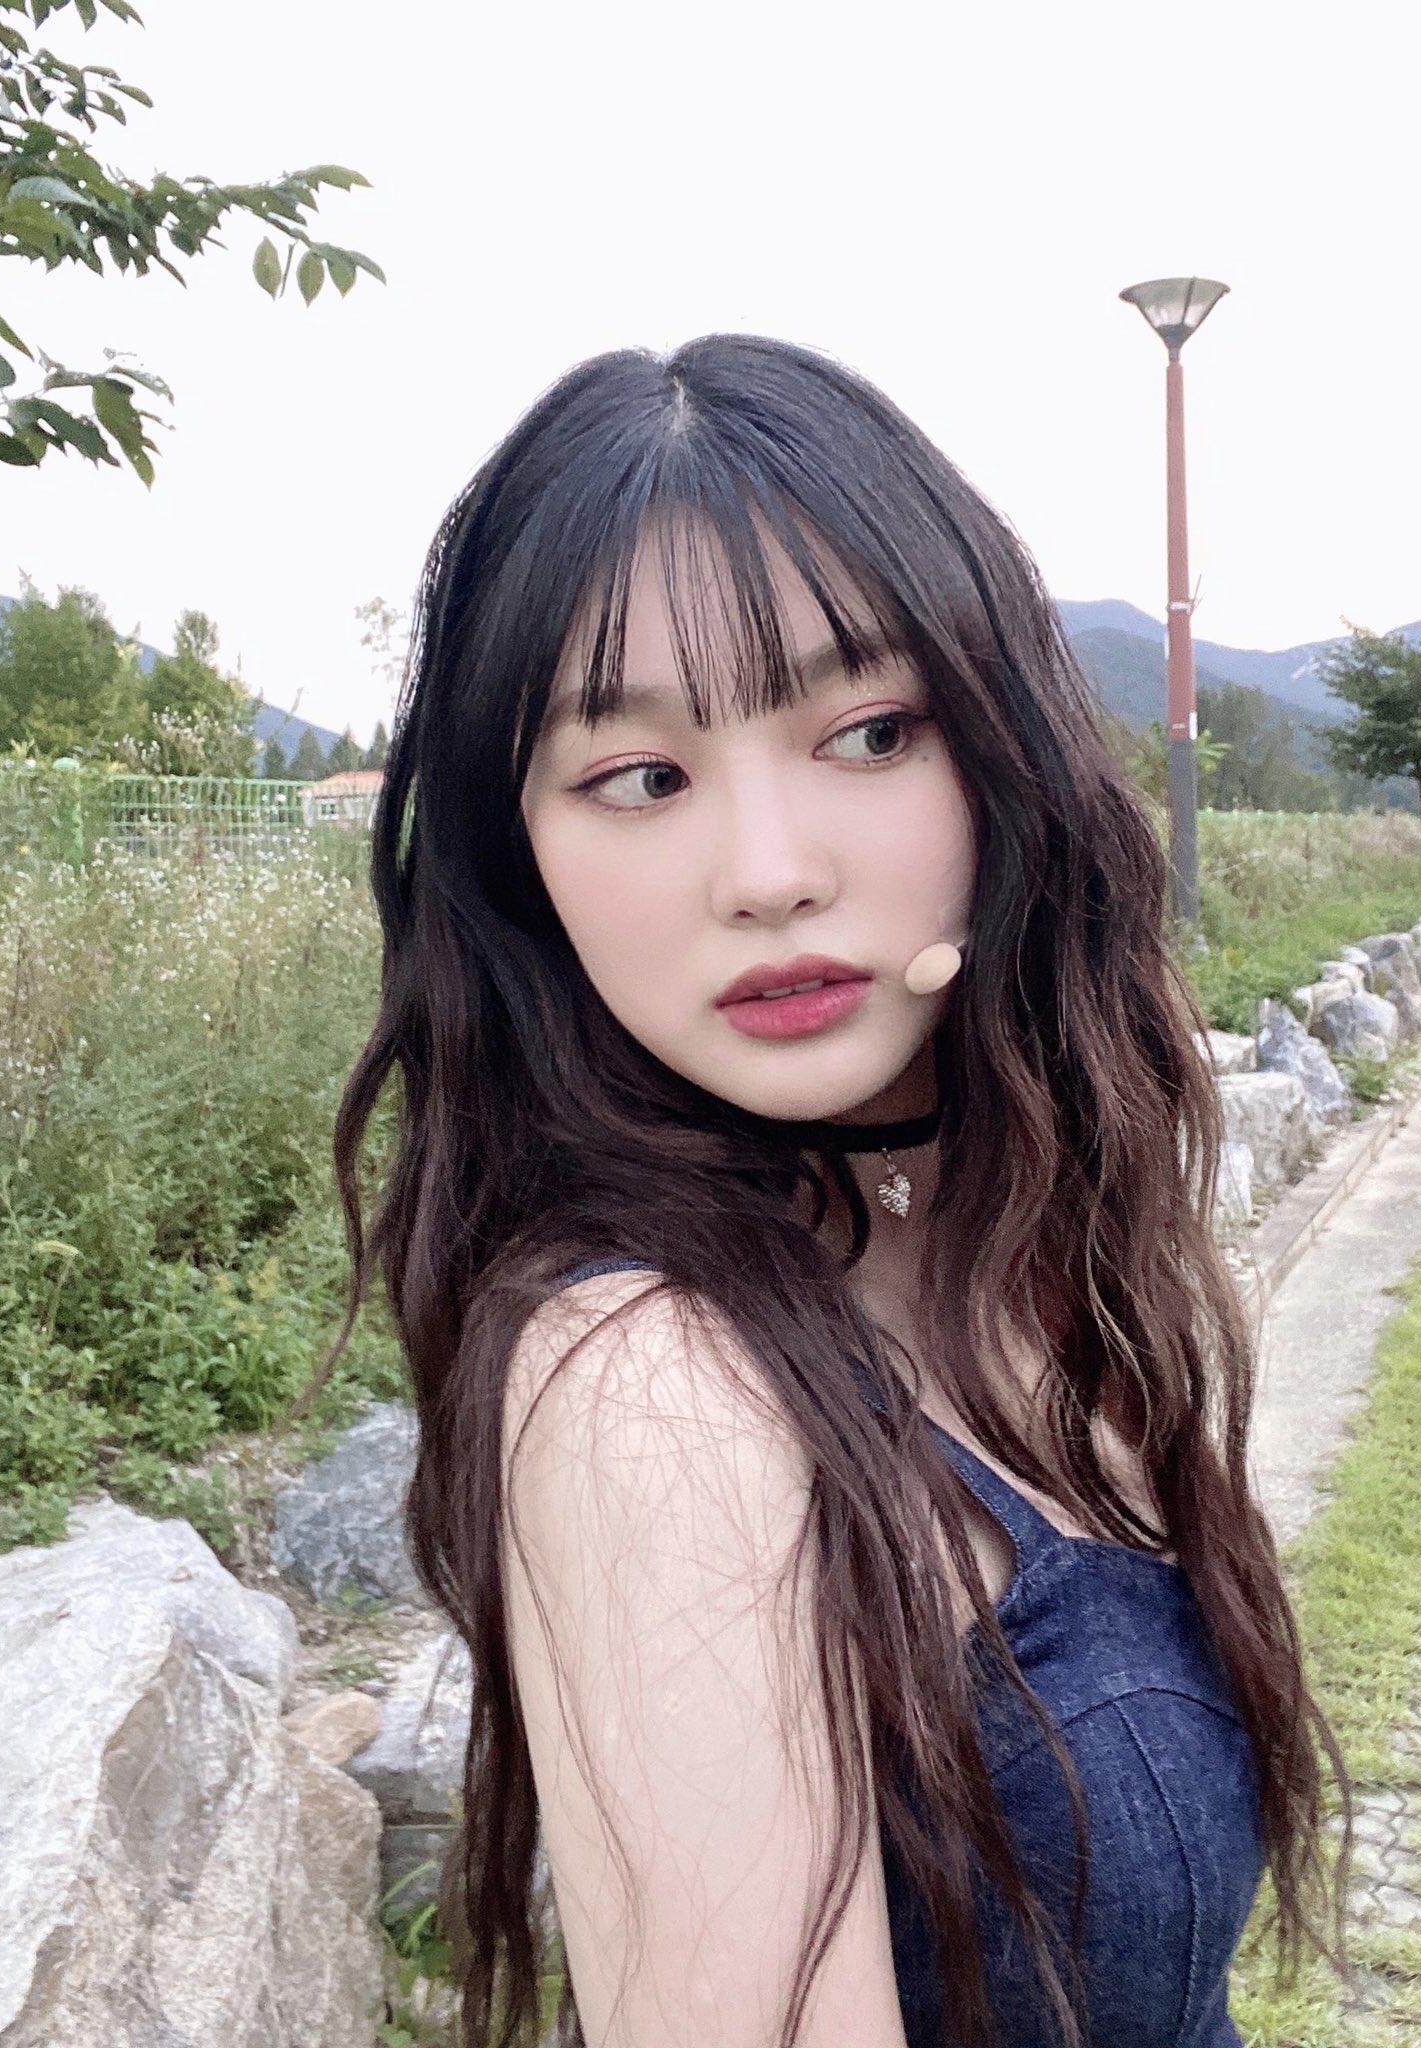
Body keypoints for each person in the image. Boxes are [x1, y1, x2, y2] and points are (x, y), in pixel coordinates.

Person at [324, 335, 1350, 2048]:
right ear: (522, 862)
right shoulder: (651, 1389)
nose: (769, 873)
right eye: (639, 778)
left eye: (868, 733)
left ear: (1000, 756)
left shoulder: (1026, 1263)